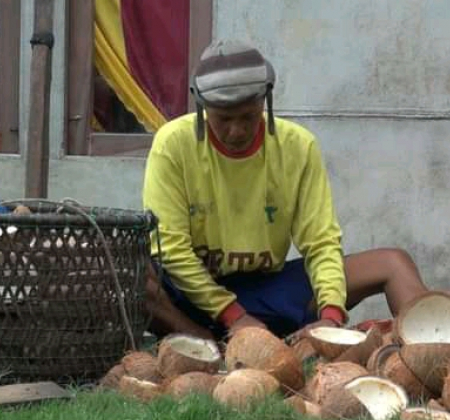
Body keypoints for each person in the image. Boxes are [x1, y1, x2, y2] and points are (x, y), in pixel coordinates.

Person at [142, 39, 429, 341]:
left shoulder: (298, 146)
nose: (236, 131)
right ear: (202, 106)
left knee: (393, 263)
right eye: (223, 119)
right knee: (129, 278)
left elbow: (321, 242)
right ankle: (204, 344)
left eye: (248, 117)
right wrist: (234, 315)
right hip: (190, 296)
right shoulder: (172, 144)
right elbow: (170, 249)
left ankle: (431, 349)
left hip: (267, 291)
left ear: (265, 101)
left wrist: (330, 315)